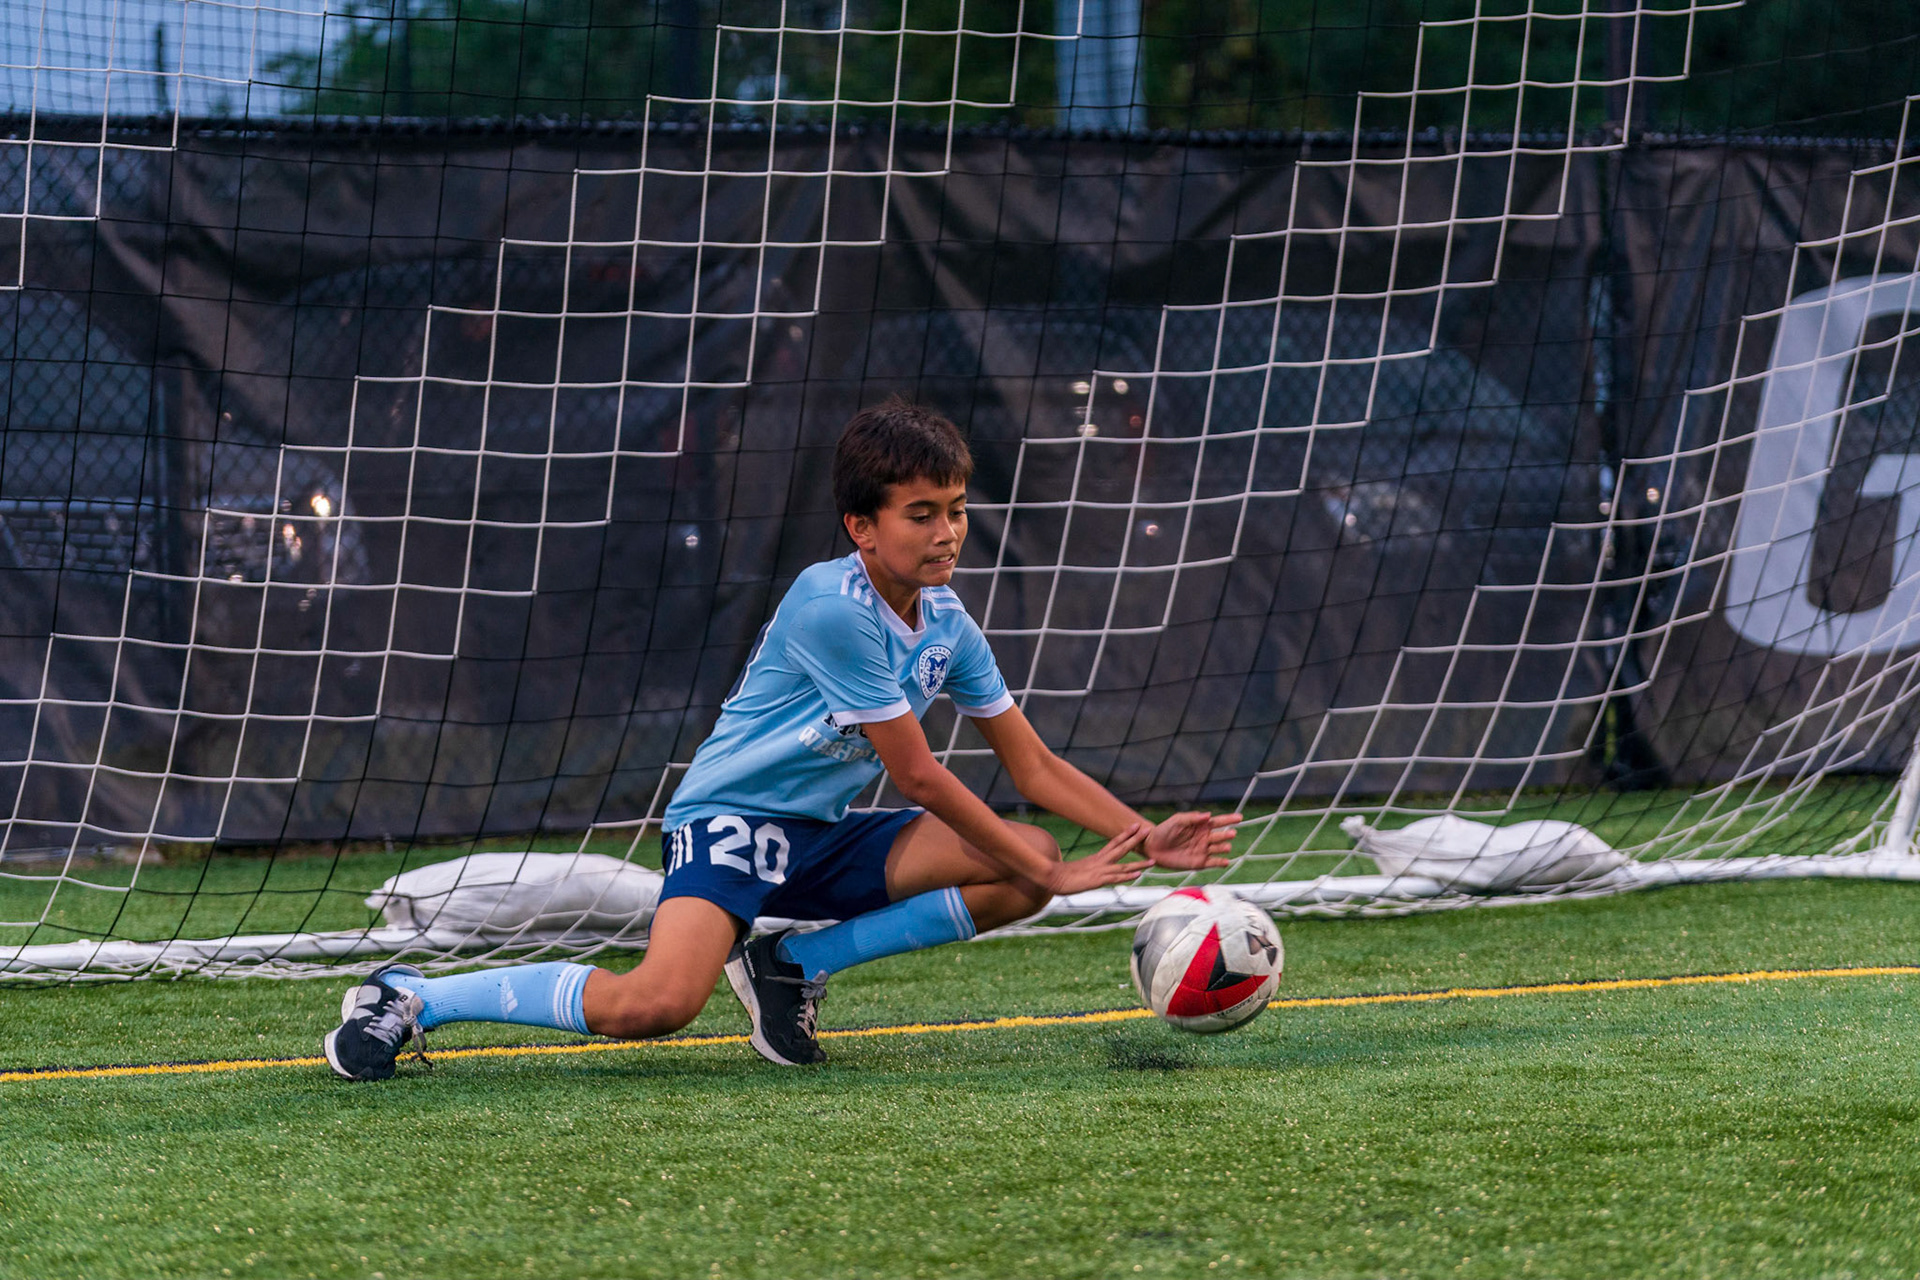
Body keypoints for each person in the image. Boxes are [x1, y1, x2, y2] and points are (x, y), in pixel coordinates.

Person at [323, 397, 1241, 1079]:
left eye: (956, 509)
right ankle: (410, 995)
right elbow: (919, 777)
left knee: (1019, 858)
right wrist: (1057, 876)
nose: (947, 531)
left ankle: (789, 965)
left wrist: (1142, 834)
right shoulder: (828, 604)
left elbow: (1031, 764)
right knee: (658, 1004)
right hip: (730, 821)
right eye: (921, 514)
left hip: (818, 833)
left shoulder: (949, 623)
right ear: (862, 527)